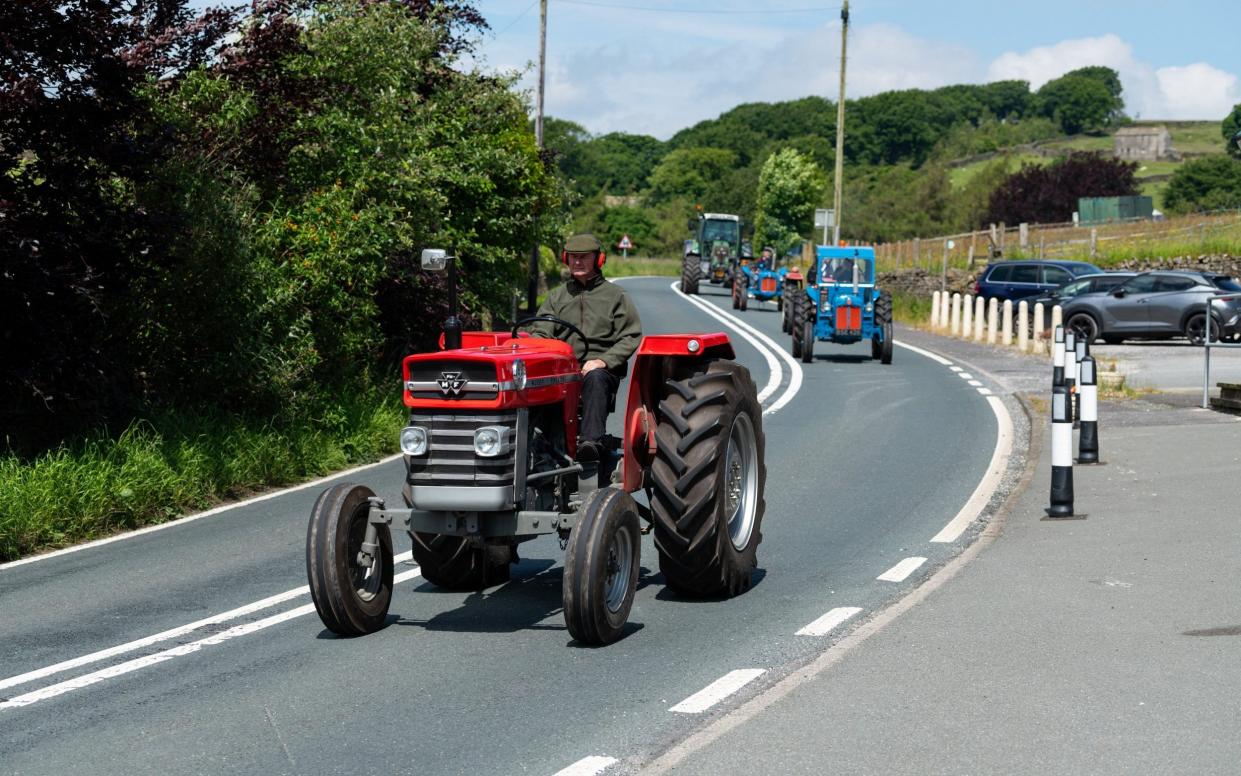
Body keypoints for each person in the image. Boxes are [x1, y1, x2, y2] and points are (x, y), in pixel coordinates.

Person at [530, 234, 642, 461]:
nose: (577, 262)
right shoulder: (556, 297)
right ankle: (534, 444)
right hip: (562, 369)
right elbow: (540, 332)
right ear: (565, 259)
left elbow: (630, 336)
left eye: (584, 257)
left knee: (595, 377)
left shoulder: (616, 296)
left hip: (601, 370)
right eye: (572, 257)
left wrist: (604, 360)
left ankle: (591, 444)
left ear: (598, 260)